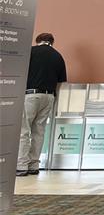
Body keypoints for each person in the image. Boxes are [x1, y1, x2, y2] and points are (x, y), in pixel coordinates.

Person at [17, 33, 67, 177]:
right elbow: (60, 82)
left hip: (30, 95)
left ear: (37, 41)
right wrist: (54, 97)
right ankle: (34, 165)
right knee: (39, 131)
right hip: (49, 96)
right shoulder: (58, 56)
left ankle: (21, 165)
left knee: (24, 130)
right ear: (52, 42)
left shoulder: (30, 52)